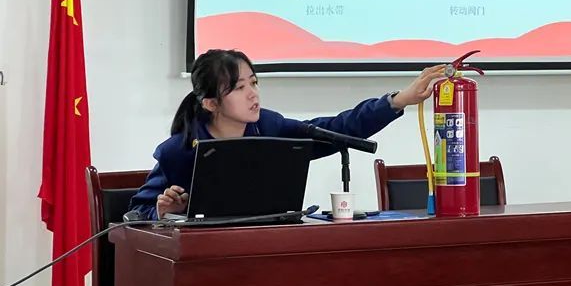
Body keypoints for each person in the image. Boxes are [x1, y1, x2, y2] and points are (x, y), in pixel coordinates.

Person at [128, 49, 445, 220]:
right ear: (211, 103)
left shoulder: (271, 128)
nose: (253, 94)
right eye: (239, 88)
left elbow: (338, 128)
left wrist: (398, 101)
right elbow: (134, 213)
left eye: (254, 83)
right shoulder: (179, 151)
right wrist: (161, 211)